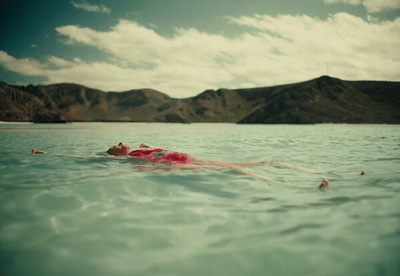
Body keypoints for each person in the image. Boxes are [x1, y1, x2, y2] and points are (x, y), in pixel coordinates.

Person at [33, 142, 329, 189]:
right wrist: (46, 154)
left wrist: (146, 145)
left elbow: (152, 147)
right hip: (172, 168)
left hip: (189, 157)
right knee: (239, 171)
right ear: (114, 154)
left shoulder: (140, 147)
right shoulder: (127, 158)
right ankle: (299, 188)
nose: (118, 143)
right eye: (114, 146)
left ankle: (316, 173)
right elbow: (80, 159)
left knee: (268, 160)